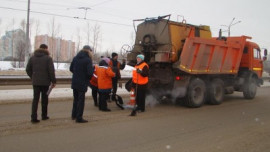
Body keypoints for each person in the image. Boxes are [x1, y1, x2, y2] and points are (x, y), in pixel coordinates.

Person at [26, 44, 56, 123]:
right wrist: (53, 81)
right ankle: (44, 115)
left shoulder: (32, 58)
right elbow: (51, 71)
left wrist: (33, 77)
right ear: (46, 49)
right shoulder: (48, 59)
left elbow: (28, 69)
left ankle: (33, 117)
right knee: (44, 99)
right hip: (45, 83)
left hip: (35, 82)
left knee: (35, 99)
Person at [70, 45, 93, 123]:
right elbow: (90, 73)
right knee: (81, 100)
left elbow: (71, 68)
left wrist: (77, 74)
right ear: (89, 51)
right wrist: (87, 78)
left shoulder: (75, 58)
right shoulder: (88, 60)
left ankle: (74, 115)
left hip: (75, 81)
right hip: (82, 82)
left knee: (75, 99)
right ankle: (79, 117)